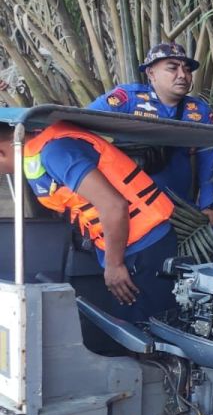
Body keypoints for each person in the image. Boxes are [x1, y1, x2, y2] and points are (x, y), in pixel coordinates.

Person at [0, 119, 176, 322]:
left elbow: (113, 205)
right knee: (129, 322)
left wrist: (114, 265)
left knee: (145, 329)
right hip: (122, 244)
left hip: (144, 246)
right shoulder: (39, 152)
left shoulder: (57, 153)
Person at [88, 43, 213, 233]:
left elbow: (209, 160)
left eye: (187, 69)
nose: (182, 75)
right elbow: (80, 124)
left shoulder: (199, 111)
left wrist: (209, 206)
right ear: (151, 74)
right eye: (172, 68)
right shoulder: (127, 100)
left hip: (179, 211)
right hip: (128, 206)